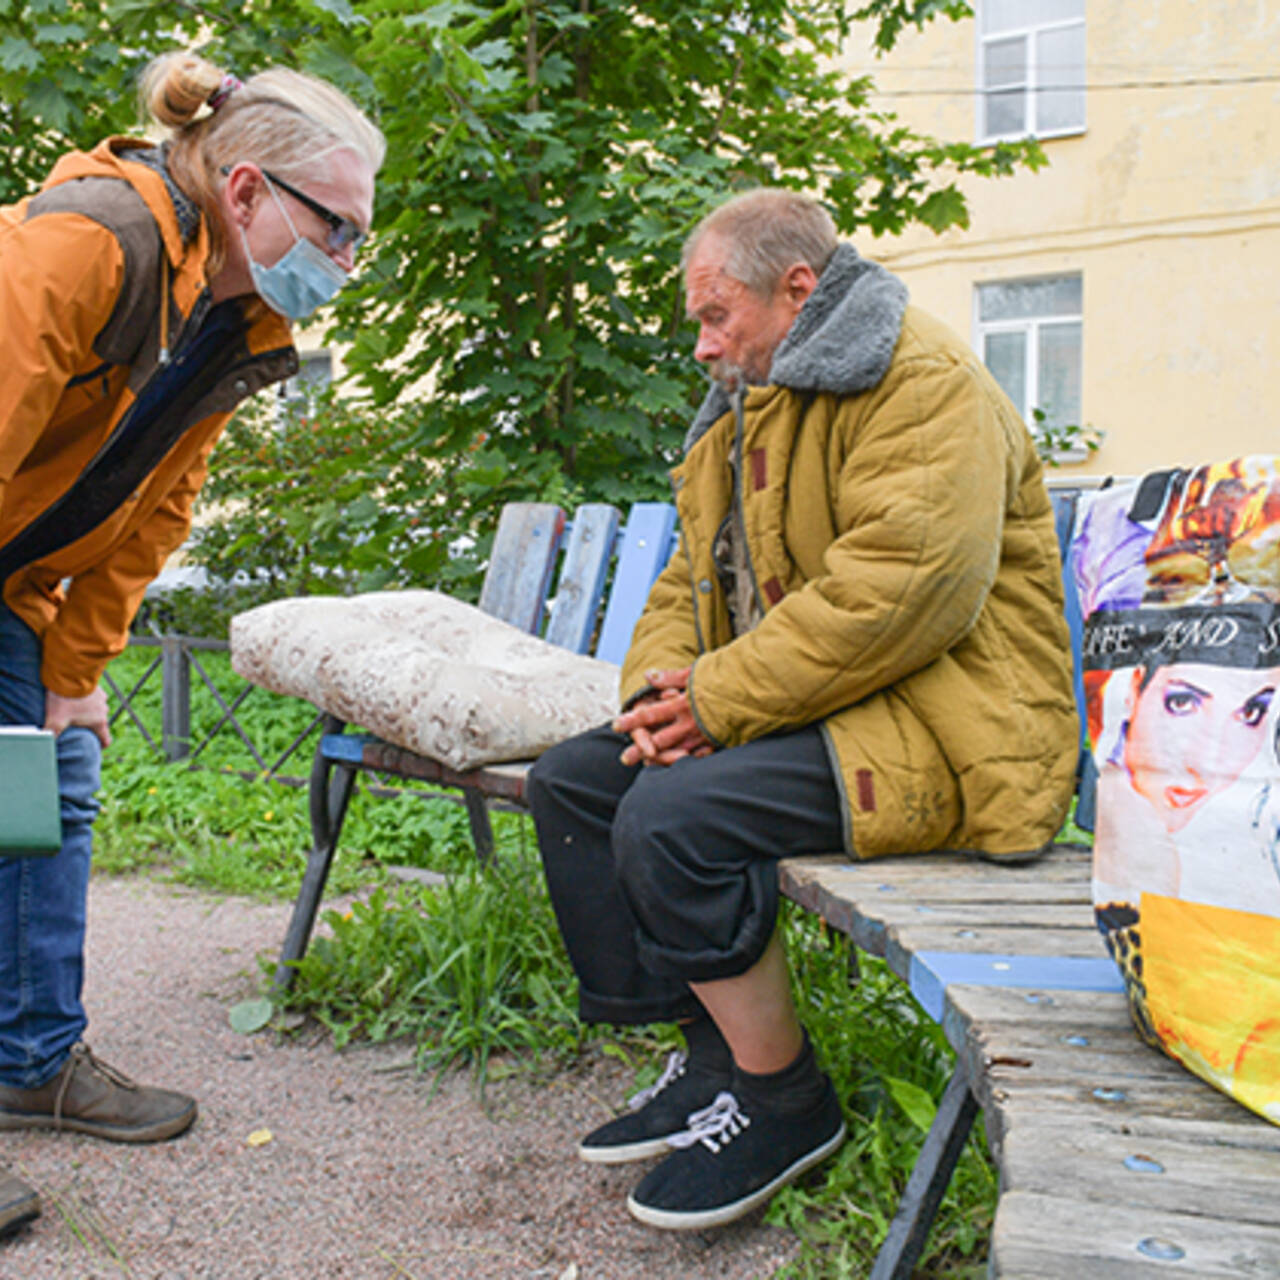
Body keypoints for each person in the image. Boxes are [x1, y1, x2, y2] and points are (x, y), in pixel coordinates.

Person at [526, 188, 1078, 1230]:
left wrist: (719, 700)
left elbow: (901, 591)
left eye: (712, 314)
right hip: (828, 703)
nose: (699, 344)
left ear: (796, 289)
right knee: (580, 781)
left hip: (952, 729)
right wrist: (656, 694)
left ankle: (787, 1101)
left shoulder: (919, 379)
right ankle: (713, 1062)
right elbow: (688, 574)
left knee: (671, 815)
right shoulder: (759, 391)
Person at [0, 51, 384, 1231]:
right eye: (342, 228)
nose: (348, 260)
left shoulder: (237, 317)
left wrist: (71, 674)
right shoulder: (85, 247)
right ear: (250, 191)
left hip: (13, 582)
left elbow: (154, 508)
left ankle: (31, 1058)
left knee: (43, 784)